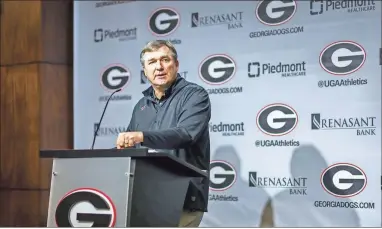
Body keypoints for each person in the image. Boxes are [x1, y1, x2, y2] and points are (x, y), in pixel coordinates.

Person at [116, 40, 211, 227]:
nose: (159, 67)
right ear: (144, 71)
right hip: (145, 200)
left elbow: (186, 134)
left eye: (165, 60)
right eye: (151, 62)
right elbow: (129, 147)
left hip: (183, 199)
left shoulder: (194, 95)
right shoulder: (141, 106)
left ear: (176, 65)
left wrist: (142, 136)